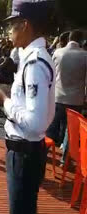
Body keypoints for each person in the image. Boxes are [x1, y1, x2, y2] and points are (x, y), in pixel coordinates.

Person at [0, 0, 56, 213]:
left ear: (25, 25)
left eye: (12, 24)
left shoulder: (35, 63)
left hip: (24, 153)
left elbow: (35, 123)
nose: (9, 30)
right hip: (26, 151)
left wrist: (4, 101)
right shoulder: (32, 58)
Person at [46, 30, 87, 165]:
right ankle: (65, 160)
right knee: (71, 132)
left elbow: (51, 73)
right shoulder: (84, 56)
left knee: (52, 127)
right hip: (76, 99)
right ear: (81, 41)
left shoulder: (58, 53)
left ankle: (42, 153)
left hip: (58, 96)